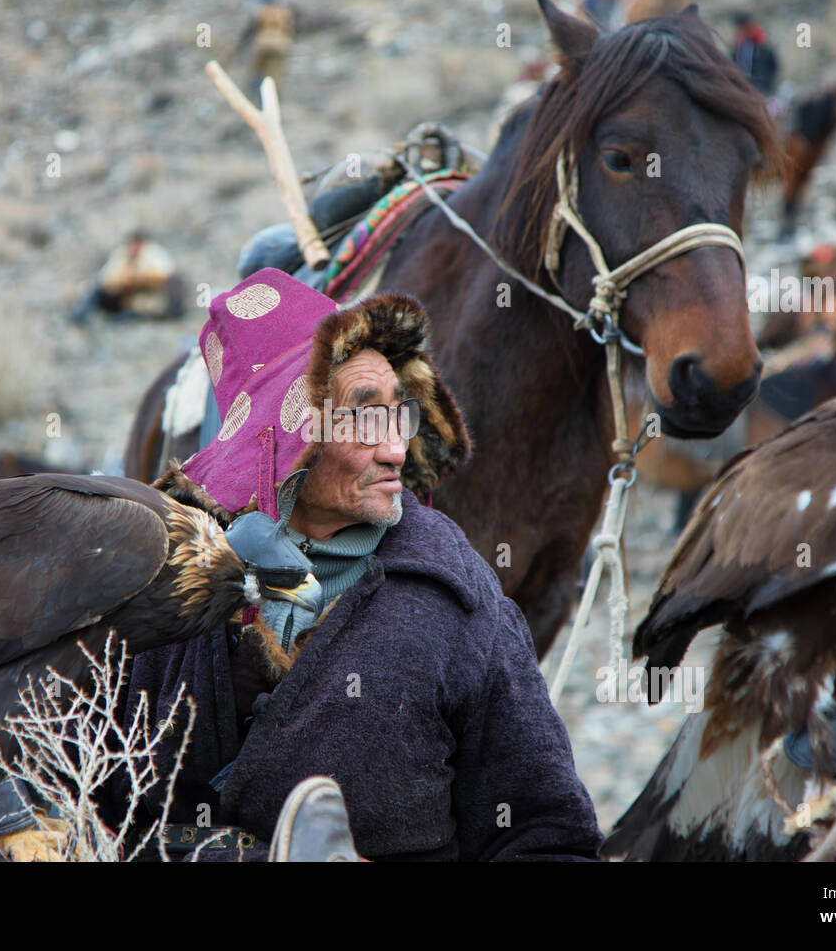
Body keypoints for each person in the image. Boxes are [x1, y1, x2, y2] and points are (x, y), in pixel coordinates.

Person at [94, 269, 603, 861]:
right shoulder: (159, 574)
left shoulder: (457, 605)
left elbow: (546, 837)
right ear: (284, 435)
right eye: (363, 416)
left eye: (399, 413)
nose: (395, 449)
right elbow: (73, 786)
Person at [730, 13, 777, 98]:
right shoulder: (739, 45)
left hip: (761, 87)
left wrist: (767, 85)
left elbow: (773, 65)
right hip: (745, 88)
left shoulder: (761, 44)